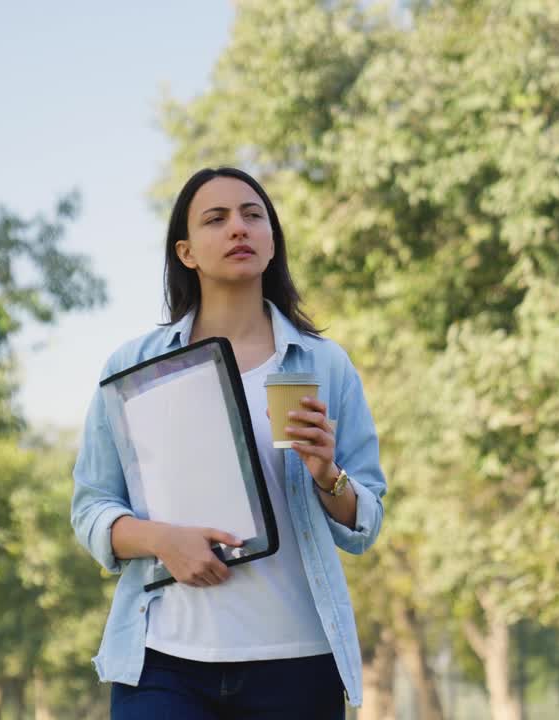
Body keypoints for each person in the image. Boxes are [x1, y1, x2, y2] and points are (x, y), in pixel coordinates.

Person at [71, 167, 387, 719]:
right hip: (164, 661)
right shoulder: (134, 366)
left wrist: (326, 474)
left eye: (252, 215)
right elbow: (92, 508)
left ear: (272, 241)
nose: (238, 227)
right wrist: (163, 540)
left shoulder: (323, 364)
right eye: (216, 219)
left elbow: (366, 522)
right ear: (187, 252)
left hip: (298, 662)